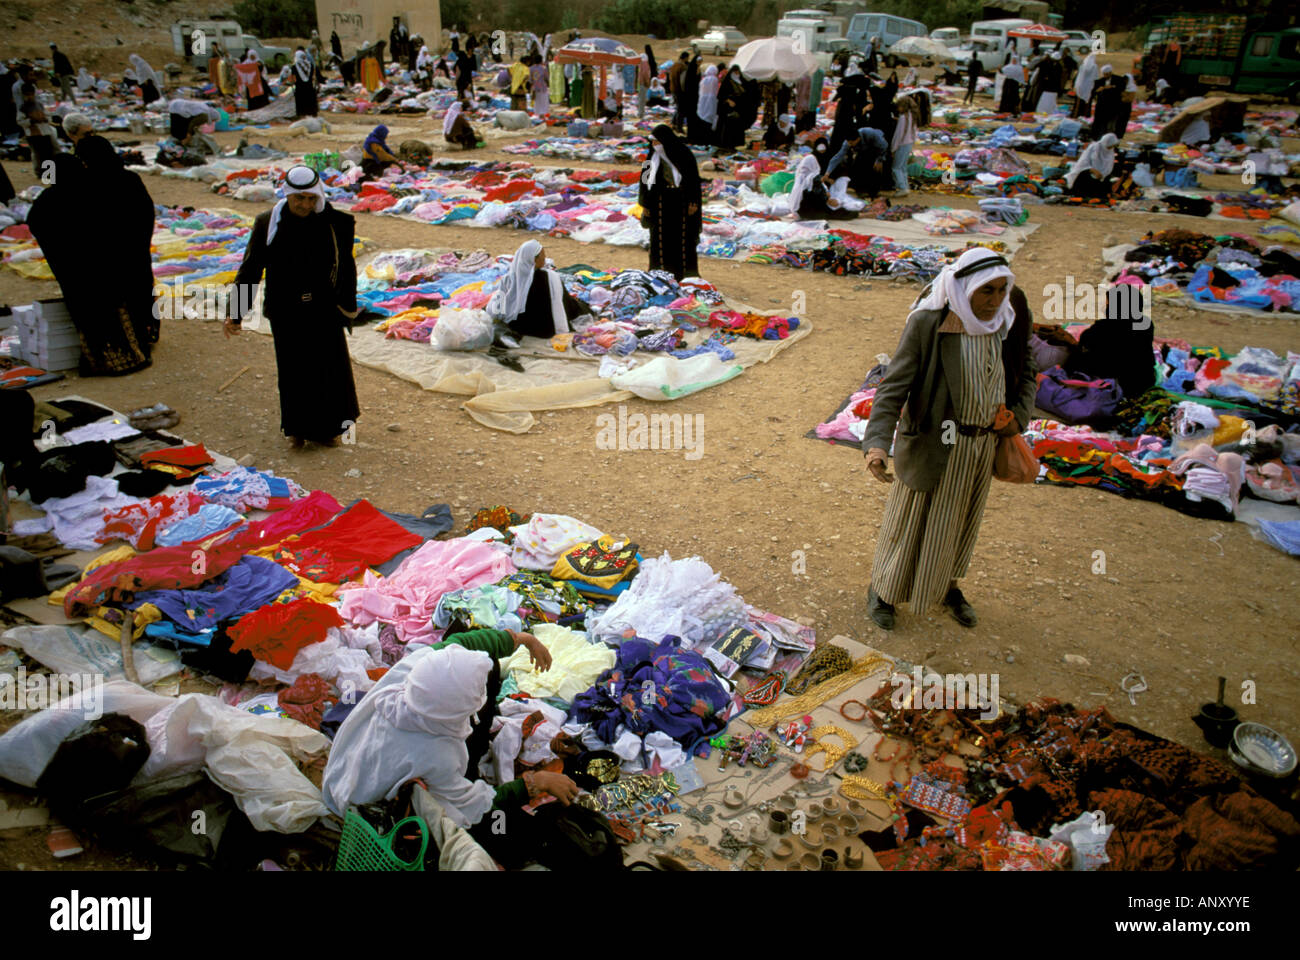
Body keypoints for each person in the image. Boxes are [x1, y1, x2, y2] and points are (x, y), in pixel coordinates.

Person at [863, 248, 1037, 630]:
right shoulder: (931, 323)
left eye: (1000, 290)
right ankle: (884, 590)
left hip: (980, 446)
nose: (993, 301)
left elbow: (1027, 371)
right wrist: (877, 443)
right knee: (910, 523)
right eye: (984, 292)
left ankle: (946, 585)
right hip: (932, 443)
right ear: (964, 288)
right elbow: (893, 388)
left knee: (959, 522)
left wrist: (1015, 420)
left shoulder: (1008, 317)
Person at [321, 632, 597, 868]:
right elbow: (475, 806)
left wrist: (522, 639)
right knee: (501, 835)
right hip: (364, 815)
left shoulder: (413, 674)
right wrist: (535, 783)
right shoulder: (437, 753)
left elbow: (459, 642)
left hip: (342, 774)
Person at [226, 165, 360, 449]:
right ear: (288, 195)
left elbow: (347, 267)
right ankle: (298, 430)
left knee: (328, 369)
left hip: (323, 308)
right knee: (294, 371)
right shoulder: (267, 224)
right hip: (285, 310)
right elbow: (250, 269)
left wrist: (346, 308)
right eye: (299, 199)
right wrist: (235, 313)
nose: (305, 205)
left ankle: (329, 430)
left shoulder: (333, 224)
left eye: (311, 199)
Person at [27, 149, 154, 376]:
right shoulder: (94, 193)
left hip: (72, 272)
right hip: (104, 268)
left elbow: (37, 226)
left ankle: (97, 359)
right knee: (115, 315)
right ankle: (126, 358)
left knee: (87, 317)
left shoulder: (46, 202)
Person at [488, 239, 592, 339]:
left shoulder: (509, 278)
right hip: (546, 330)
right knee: (578, 306)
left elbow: (497, 308)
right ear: (535, 260)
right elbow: (564, 304)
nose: (545, 258)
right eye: (543, 256)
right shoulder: (551, 277)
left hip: (517, 328)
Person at [638, 124, 703, 281]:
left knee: (682, 238)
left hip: (680, 203)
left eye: (657, 143)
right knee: (659, 239)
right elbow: (644, 184)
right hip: (659, 205)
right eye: (653, 143)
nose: (655, 146)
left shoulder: (684, 155)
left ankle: (684, 273)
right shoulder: (650, 159)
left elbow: (693, 180)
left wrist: (693, 202)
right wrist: (645, 204)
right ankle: (660, 271)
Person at [824, 126, 888, 200]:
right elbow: (838, 157)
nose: (850, 145)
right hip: (863, 150)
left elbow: (884, 146)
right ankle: (861, 190)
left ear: (858, 139)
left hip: (878, 147)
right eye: (848, 143)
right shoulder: (847, 143)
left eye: (851, 143)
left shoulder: (869, 133)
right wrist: (828, 172)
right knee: (858, 167)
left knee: (876, 168)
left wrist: (880, 160)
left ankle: (874, 192)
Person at [1065, 132, 1119, 199]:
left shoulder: (1110, 151)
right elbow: (1083, 163)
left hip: (1101, 177)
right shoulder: (1094, 148)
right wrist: (1092, 170)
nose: (1110, 148)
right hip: (1087, 173)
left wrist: (1102, 174)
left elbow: (1109, 167)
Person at [889, 95, 919, 197]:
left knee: (896, 167)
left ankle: (902, 187)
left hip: (902, 144)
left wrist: (893, 148)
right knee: (903, 167)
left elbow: (899, 135)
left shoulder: (903, 117)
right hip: (909, 143)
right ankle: (905, 186)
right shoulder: (912, 115)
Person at [694, 65, 719, 144]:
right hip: (711, 101)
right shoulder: (715, 79)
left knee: (703, 119)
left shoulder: (703, 80)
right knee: (709, 120)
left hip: (702, 101)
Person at [1035, 50, 1063, 115]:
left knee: (1047, 101)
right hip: (1050, 88)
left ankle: (1046, 111)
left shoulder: (1055, 66)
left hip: (1049, 88)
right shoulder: (1055, 65)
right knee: (1048, 101)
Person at [1073, 49, 1099, 118]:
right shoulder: (1094, 66)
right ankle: (1085, 116)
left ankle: (1076, 115)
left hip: (1080, 86)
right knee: (1087, 103)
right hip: (1089, 87)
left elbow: (1078, 76)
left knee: (1078, 103)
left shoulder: (1083, 66)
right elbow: (1096, 77)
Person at [292, 49, 318, 117]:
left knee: (301, 101)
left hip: (299, 87)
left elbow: (293, 78)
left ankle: (302, 114)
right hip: (309, 87)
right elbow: (313, 76)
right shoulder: (310, 65)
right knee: (310, 100)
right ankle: (312, 112)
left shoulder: (295, 66)